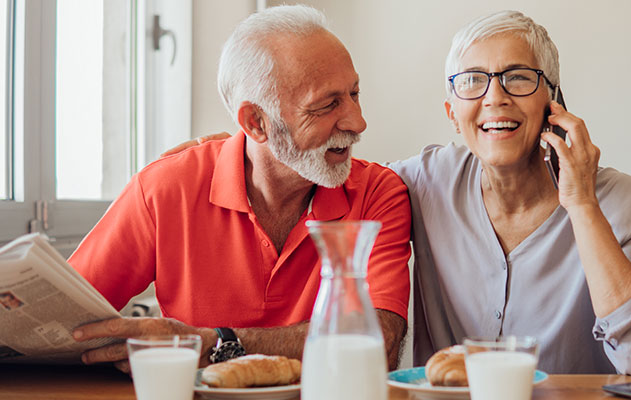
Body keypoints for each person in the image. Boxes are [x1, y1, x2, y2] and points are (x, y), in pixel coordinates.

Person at [166, 10, 631, 375]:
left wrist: (581, 205)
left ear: (554, 101)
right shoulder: (418, 182)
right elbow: (323, 159)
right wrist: (245, 146)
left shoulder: (619, 201)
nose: (495, 98)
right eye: (473, 82)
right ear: (451, 114)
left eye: (519, 78)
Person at [68, 5, 411, 372]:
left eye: (354, 93)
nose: (358, 122)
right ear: (256, 122)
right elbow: (60, 324)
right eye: (327, 105)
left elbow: (378, 346)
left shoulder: (378, 192)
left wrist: (217, 343)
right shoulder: (166, 188)